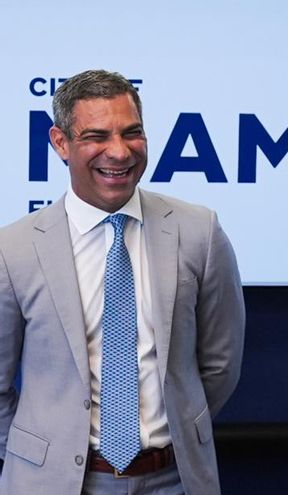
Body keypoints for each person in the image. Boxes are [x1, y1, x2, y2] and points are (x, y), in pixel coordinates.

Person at [0, 70, 246, 494]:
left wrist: (182, 429)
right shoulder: (14, 249)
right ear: (61, 143)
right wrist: (40, 455)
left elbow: (220, 364)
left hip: (177, 479)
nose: (119, 152)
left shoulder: (198, 232)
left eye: (132, 133)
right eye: (97, 136)